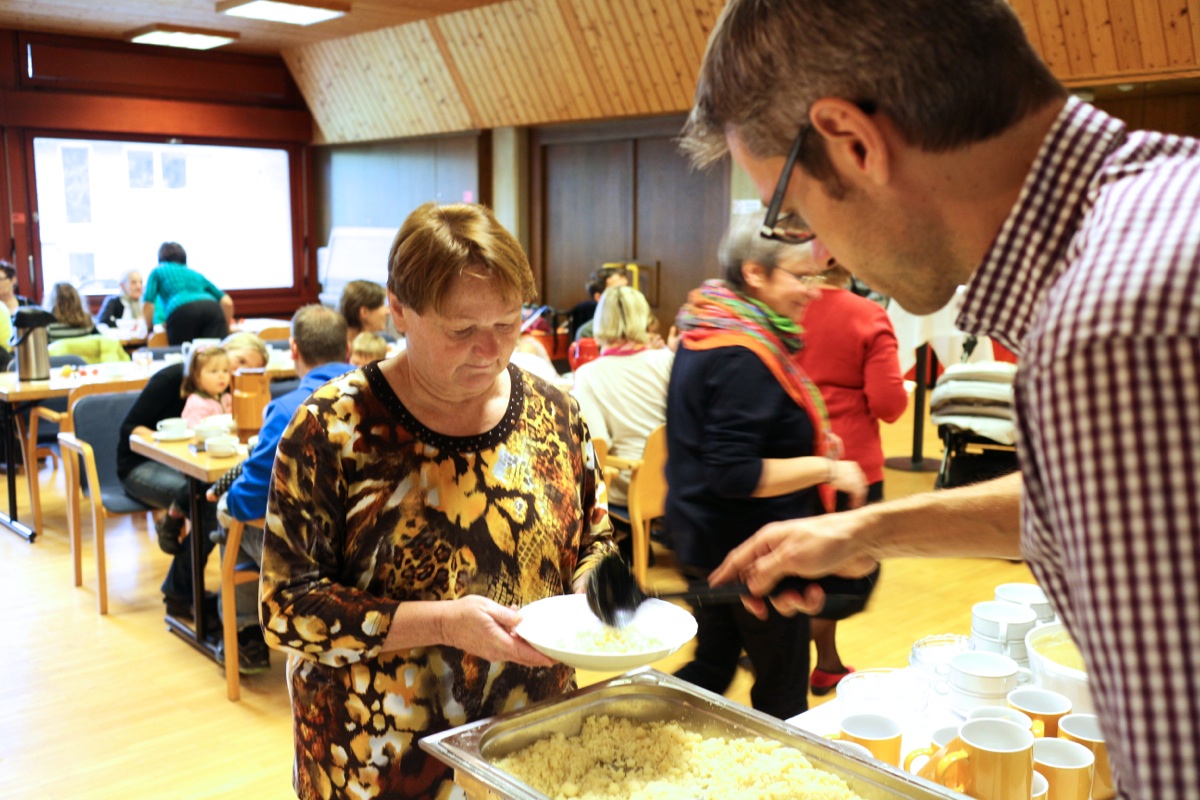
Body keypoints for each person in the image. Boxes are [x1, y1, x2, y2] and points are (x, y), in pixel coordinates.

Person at [688, 2, 1200, 797]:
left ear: (854, 142)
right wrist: (868, 528)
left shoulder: (1110, 327)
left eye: (793, 214)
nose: (817, 251)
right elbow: (1113, 498)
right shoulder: (1164, 201)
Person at [260, 202, 616, 800]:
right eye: (461, 330)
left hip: (533, 743)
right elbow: (286, 608)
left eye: (508, 323)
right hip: (379, 757)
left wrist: (593, 587)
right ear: (398, 310)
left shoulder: (555, 411)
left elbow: (595, 539)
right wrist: (445, 623)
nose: (490, 350)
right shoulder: (334, 427)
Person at [665, 215, 867, 721]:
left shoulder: (707, 327)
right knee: (782, 692)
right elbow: (734, 472)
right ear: (755, 273)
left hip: (703, 535)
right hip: (749, 547)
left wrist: (806, 440)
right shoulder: (742, 352)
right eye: (801, 277)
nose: (813, 291)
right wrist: (825, 469)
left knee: (714, 663)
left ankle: (635, 733)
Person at [205, 305, 353, 674]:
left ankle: (245, 636)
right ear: (348, 349)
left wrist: (228, 502)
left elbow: (252, 497)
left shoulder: (290, 408)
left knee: (229, 515)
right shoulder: (381, 398)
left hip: (311, 555)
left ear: (294, 350)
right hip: (369, 544)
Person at [797, 249, 906, 695]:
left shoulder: (784, 310)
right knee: (848, 575)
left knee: (802, 571)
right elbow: (889, 403)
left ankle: (826, 662)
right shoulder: (867, 315)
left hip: (790, 462)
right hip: (852, 466)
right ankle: (786, 649)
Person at [117, 332, 269, 617]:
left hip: (194, 468)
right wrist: (174, 444)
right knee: (209, 506)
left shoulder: (231, 389)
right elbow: (130, 428)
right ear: (222, 351)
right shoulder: (172, 378)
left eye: (251, 369)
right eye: (238, 362)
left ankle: (223, 601)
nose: (236, 373)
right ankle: (180, 592)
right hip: (141, 466)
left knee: (218, 495)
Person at [572, 285, 673, 509]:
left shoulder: (589, 374)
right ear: (643, 317)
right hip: (674, 482)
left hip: (629, 486)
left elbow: (597, 443)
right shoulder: (668, 360)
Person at [142, 242, 234, 345]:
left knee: (182, 352)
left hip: (182, 311)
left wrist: (149, 329)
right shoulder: (195, 274)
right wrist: (226, 329)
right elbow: (227, 302)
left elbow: (148, 303)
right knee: (214, 352)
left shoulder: (158, 271)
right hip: (213, 309)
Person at [571, 265, 630, 341]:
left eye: (627, 288)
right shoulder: (588, 333)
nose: (627, 294)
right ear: (599, 297)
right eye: (617, 290)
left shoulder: (641, 324)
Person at [179, 345, 233, 427]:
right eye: (214, 371)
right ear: (197, 377)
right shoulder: (197, 403)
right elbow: (195, 429)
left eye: (225, 371)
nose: (222, 376)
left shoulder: (226, 398)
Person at [338, 278, 389, 348]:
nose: (388, 311)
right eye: (382, 305)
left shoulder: (383, 342)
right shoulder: (337, 349)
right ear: (364, 312)